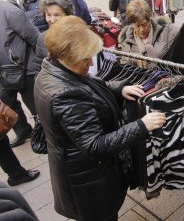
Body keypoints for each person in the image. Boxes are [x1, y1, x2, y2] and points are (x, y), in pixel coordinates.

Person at [34, 15, 167, 220]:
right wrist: (141, 125)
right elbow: (94, 145)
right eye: (86, 58)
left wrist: (120, 88)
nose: (91, 63)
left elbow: (90, 86)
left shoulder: (53, 69)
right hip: (87, 183)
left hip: (80, 173)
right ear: (68, 55)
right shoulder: (65, 93)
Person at [0, 0, 39, 148]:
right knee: (6, 101)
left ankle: (45, 134)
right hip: (3, 71)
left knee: (34, 104)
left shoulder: (9, 10)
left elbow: (34, 37)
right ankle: (23, 131)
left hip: (25, 68)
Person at [118, 0, 184, 67]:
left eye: (144, 25)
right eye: (137, 26)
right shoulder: (126, 42)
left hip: (166, 83)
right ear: (131, 23)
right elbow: (124, 67)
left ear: (150, 19)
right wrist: (136, 62)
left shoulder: (167, 31)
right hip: (141, 84)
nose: (141, 29)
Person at [34, 0, 75, 74]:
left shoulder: (78, 35)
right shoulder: (42, 38)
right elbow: (38, 67)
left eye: (57, 15)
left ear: (68, 15)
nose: (52, 20)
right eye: (48, 15)